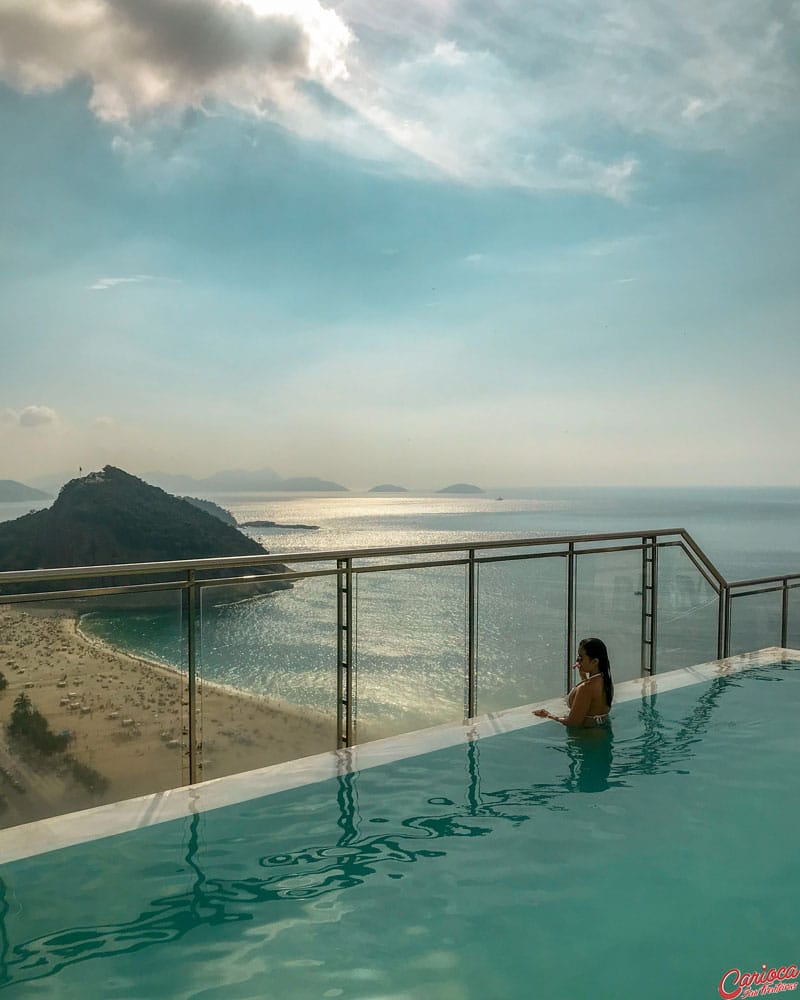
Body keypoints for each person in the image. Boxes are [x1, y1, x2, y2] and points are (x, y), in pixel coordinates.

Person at [533, 637, 613, 727]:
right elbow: (593, 707)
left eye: (581, 658)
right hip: (600, 733)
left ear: (594, 661)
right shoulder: (607, 682)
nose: (577, 661)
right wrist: (583, 677)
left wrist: (548, 715)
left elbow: (572, 723)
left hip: (585, 738)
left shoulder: (586, 688)